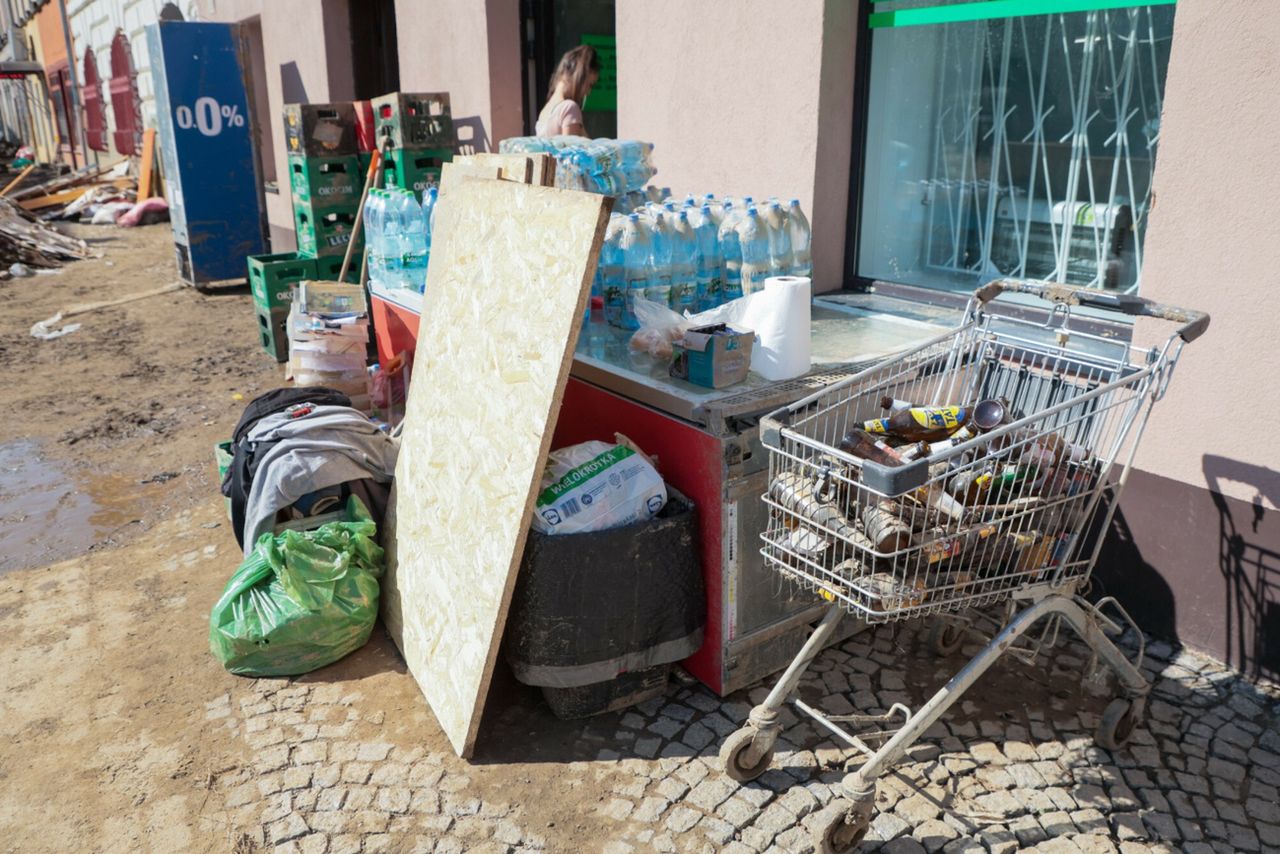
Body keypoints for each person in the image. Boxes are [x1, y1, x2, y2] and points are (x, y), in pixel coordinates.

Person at [535, 45, 600, 137]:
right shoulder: (569, 108)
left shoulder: (546, 111)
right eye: (589, 85)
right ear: (579, 77)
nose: (588, 92)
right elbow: (572, 150)